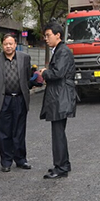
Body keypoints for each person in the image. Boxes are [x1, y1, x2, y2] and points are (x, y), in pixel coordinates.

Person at [36, 21, 77, 179]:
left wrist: (45, 72)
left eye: (48, 35)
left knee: (58, 133)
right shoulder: (60, 50)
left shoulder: (62, 51)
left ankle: (61, 168)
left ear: (58, 35)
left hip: (61, 96)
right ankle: (63, 164)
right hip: (60, 95)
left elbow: (58, 73)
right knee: (58, 132)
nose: (46, 39)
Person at [0, 33, 33, 173]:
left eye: (11, 44)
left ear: (15, 44)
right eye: (5, 44)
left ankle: (21, 159)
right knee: (4, 131)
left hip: (20, 98)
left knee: (19, 130)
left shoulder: (25, 58)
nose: (8, 46)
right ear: (2, 45)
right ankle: (6, 161)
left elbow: (27, 76)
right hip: (5, 99)